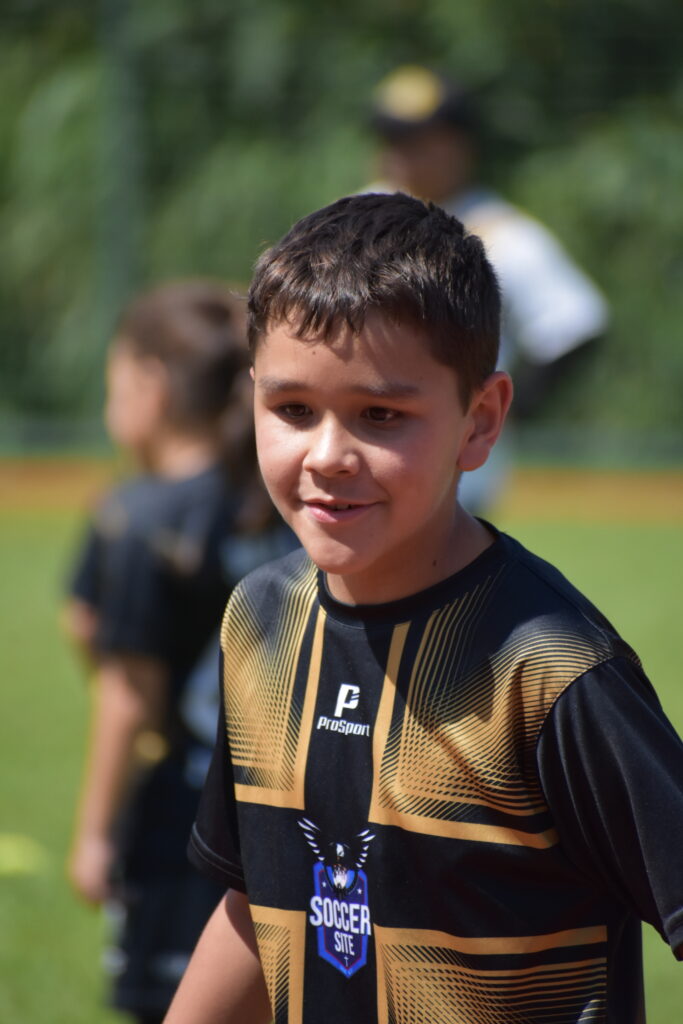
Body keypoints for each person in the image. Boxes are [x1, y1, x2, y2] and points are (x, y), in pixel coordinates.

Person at [164, 194, 682, 1024]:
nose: (328, 455)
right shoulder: (259, 621)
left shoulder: (549, 669)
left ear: (480, 422)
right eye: (292, 409)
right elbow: (257, 898)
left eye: (380, 415)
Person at [63, 280, 293, 1024]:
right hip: (284, 803)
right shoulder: (279, 500)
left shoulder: (138, 514)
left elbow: (127, 692)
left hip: (183, 816)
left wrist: (95, 835)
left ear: (151, 384)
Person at [366, 64, 610, 512]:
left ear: (462, 146)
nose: (404, 154)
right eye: (393, 139)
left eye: (420, 141)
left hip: (455, 461)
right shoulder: (355, 215)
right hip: (357, 442)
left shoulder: (504, 233)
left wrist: (507, 409)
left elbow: (577, 323)